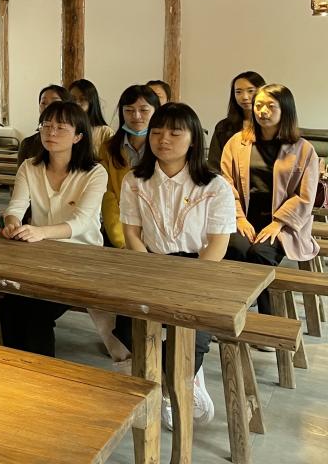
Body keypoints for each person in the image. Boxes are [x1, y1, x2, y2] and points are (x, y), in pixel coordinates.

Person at [119, 102, 236, 429]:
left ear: (194, 139)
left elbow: (217, 245)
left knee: (189, 333)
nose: (163, 140)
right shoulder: (135, 180)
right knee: (129, 326)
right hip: (150, 263)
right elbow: (131, 233)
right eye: (156, 132)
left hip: (199, 268)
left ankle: (179, 384)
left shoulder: (215, 186)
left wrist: (186, 280)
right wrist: (150, 269)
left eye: (174, 133)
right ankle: (166, 380)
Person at [0, 101, 106, 357]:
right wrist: (12, 223)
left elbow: (81, 222)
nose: (51, 132)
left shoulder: (95, 173)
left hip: (81, 259)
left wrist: (41, 232)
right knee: (9, 307)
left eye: (61, 128)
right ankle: (13, 370)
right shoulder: (29, 166)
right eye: (46, 126)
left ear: (78, 136)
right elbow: (16, 206)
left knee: (36, 314)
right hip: (38, 257)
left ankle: (40, 375)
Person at [221, 84, 320, 313]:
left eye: (270, 106)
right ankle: (233, 311)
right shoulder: (237, 142)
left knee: (260, 253)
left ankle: (269, 318)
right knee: (235, 247)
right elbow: (226, 185)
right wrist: (239, 218)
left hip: (283, 224)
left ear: (285, 110)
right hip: (243, 218)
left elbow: (305, 196)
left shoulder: (303, 149)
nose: (263, 111)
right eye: (259, 105)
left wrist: (278, 223)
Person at [98, 85, 161, 249]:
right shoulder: (109, 149)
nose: (136, 116)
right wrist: (122, 239)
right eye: (129, 110)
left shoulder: (164, 148)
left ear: (156, 111)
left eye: (144, 110)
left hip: (160, 236)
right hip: (120, 232)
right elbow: (109, 196)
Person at [207, 71, 266, 171]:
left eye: (250, 91)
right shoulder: (223, 127)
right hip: (227, 179)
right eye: (238, 92)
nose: (245, 97)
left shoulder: (272, 125)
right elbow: (214, 165)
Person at [17, 85, 71, 168]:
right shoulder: (28, 144)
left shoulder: (76, 142)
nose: (47, 107)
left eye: (54, 103)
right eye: (43, 103)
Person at [69, 78, 114, 155]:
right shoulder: (62, 129)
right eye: (73, 99)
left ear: (92, 102)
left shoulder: (105, 133)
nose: (76, 103)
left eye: (82, 99)